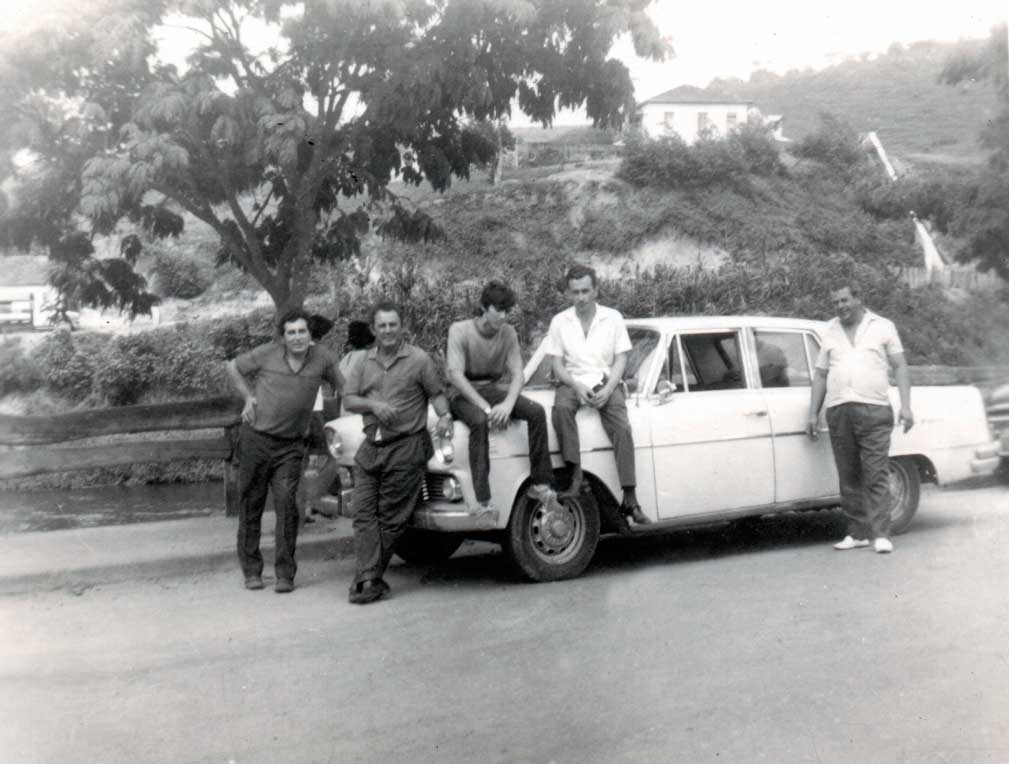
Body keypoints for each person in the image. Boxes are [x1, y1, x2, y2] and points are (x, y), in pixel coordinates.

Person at [342, 301, 453, 604]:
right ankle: (369, 578)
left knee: (391, 518)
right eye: (382, 326)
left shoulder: (419, 359)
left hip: (406, 446)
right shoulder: (362, 362)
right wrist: (374, 405)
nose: (388, 331)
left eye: (393, 324)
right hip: (371, 447)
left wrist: (444, 417)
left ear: (402, 327)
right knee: (363, 513)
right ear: (374, 330)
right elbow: (349, 399)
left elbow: (437, 394)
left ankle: (366, 579)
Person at [226, 308, 343, 593]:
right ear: (283, 337)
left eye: (302, 331)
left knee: (287, 506)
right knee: (251, 505)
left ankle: (284, 574)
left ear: (310, 334)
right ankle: (252, 571)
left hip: (290, 445)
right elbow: (233, 367)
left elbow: (345, 387)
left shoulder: (323, 358)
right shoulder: (267, 353)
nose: (297, 337)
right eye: (291, 332)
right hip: (256, 438)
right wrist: (248, 397)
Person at [806, 283, 914, 554]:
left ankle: (881, 535)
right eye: (835, 302)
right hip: (839, 409)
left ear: (859, 298)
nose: (840, 306)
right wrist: (812, 412)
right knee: (848, 474)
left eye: (844, 300)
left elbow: (900, 365)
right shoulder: (829, 330)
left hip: (874, 408)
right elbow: (820, 374)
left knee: (875, 472)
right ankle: (857, 533)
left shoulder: (883, 326)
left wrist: (906, 405)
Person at [544, 264, 650, 526]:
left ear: (596, 291)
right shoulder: (560, 321)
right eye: (575, 292)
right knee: (560, 410)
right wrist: (576, 386)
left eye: (585, 291)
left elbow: (621, 359)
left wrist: (610, 387)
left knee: (622, 427)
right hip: (572, 381)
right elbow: (557, 365)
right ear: (568, 293)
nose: (580, 298)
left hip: (605, 380)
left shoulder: (612, 317)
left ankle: (630, 498)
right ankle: (576, 475)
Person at [446, 280, 556, 515]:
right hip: (463, 394)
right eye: (499, 310)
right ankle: (482, 500)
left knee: (536, 411)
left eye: (507, 310)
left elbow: (518, 373)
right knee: (478, 421)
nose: (504, 316)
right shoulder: (459, 330)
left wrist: (506, 405)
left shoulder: (508, 333)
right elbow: (455, 376)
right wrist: (487, 409)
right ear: (484, 308)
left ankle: (541, 482)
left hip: (493, 390)